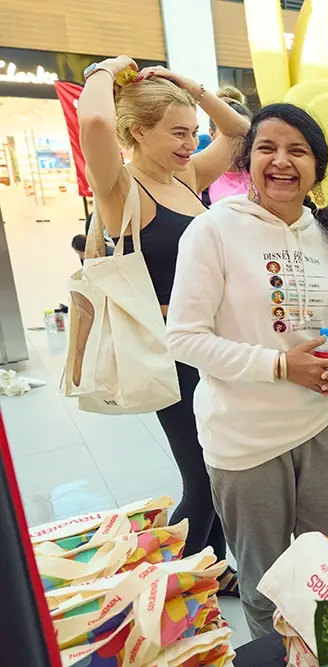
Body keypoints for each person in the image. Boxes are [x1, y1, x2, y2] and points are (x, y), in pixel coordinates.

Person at [165, 103, 328, 638]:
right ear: (247, 161)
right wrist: (280, 366)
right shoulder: (212, 230)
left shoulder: (325, 233)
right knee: (266, 585)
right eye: (267, 148)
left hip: (325, 426)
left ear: (317, 167)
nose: (281, 161)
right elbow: (184, 338)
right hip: (245, 440)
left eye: (297, 150)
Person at [79, 56, 250, 595]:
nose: (190, 144)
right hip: (171, 355)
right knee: (202, 475)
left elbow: (240, 132)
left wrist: (189, 87)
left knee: (222, 465)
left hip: (213, 348)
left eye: (193, 134)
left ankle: (212, 567)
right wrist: (104, 72)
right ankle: (170, 584)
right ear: (137, 132)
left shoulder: (188, 177)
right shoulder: (120, 189)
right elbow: (97, 125)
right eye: (178, 134)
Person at [203, 86, 253, 205]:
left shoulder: (260, 176)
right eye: (229, 134)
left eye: (244, 134)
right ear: (212, 133)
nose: (239, 142)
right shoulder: (199, 177)